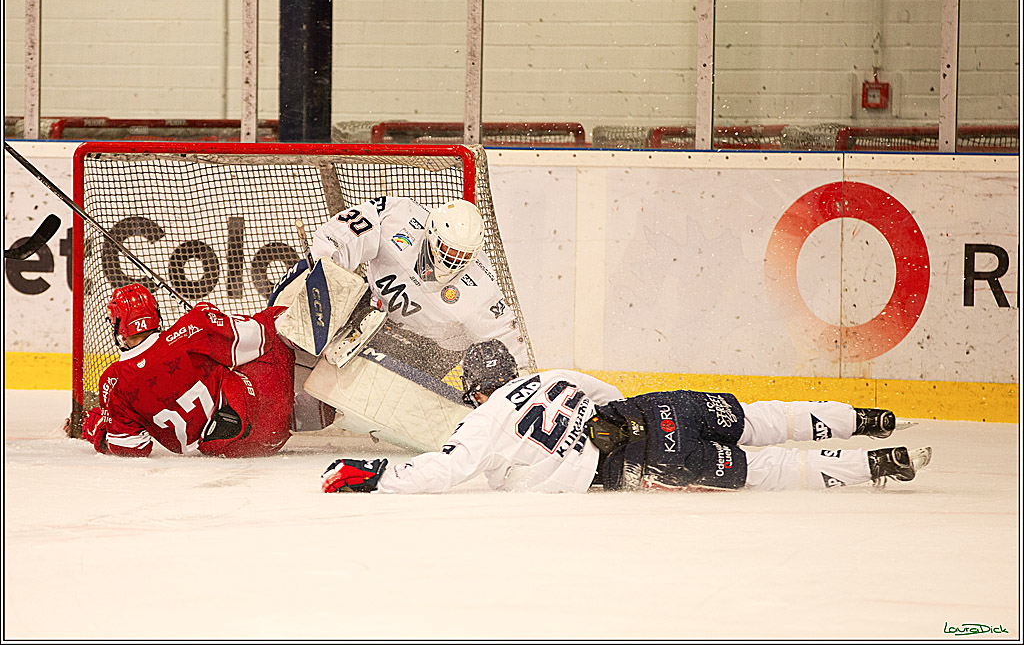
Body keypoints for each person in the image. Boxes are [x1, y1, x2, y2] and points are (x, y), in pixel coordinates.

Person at [321, 340, 932, 494]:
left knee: (762, 468)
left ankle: (875, 463)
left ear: (476, 391)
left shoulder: (481, 425)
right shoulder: (546, 375)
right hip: (662, 411)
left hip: (638, 457)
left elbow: (443, 472)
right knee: (761, 419)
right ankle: (865, 417)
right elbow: (605, 390)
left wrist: (376, 476)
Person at [273, 195, 528, 371]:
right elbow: (337, 237)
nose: (452, 261)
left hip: (425, 352)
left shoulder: (483, 290)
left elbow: (514, 352)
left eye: (462, 257)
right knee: (307, 272)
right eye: (447, 250)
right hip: (371, 308)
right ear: (430, 233)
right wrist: (323, 273)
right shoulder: (397, 217)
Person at [71, 283, 296, 458]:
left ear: (118, 326)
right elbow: (259, 336)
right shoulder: (193, 327)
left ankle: (300, 411)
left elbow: (130, 448)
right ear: (155, 314)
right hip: (267, 419)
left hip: (230, 450)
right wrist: (211, 318)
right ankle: (312, 397)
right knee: (272, 326)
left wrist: (97, 426)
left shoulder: (113, 381)